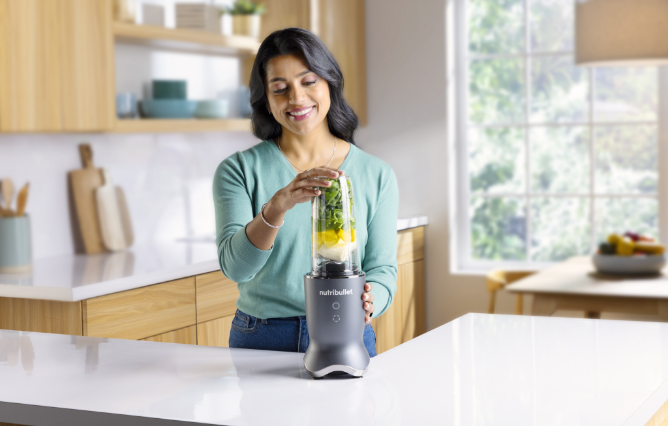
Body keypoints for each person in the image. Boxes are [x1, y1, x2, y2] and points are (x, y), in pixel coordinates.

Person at [214, 27, 398, 357]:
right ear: (267, 102)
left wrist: (374, 300)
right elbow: (236, 268)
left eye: (308, 81)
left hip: (347, 328)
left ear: (330, 83)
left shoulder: (376, 174)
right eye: (280, 89)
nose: (297, 98)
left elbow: (383, 268)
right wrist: (276, 207)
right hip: (262, 335)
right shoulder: (238, 171)